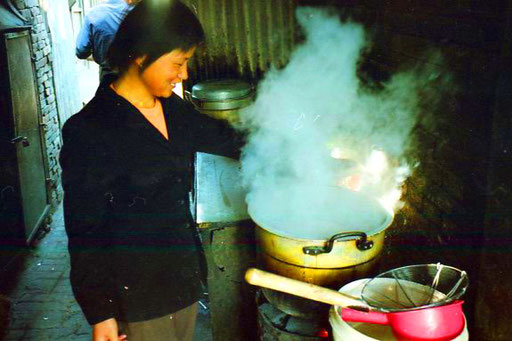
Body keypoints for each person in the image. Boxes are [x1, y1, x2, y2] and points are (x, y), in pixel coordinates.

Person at [60, 1, 243, 340]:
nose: (184, 75)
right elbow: (86, 232)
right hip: (137, 298)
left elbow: (228, 139)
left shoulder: (172, 109)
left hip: (183, 282)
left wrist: (302, 151)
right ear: (142, 55)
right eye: (178, 62)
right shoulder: (89, 131)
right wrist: (101, 313)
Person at [75, 0, 140, 80]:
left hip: (108, 75)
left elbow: (81, 51)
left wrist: (100, 54)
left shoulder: (93, 14)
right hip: (136, 75)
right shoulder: (139, 10)